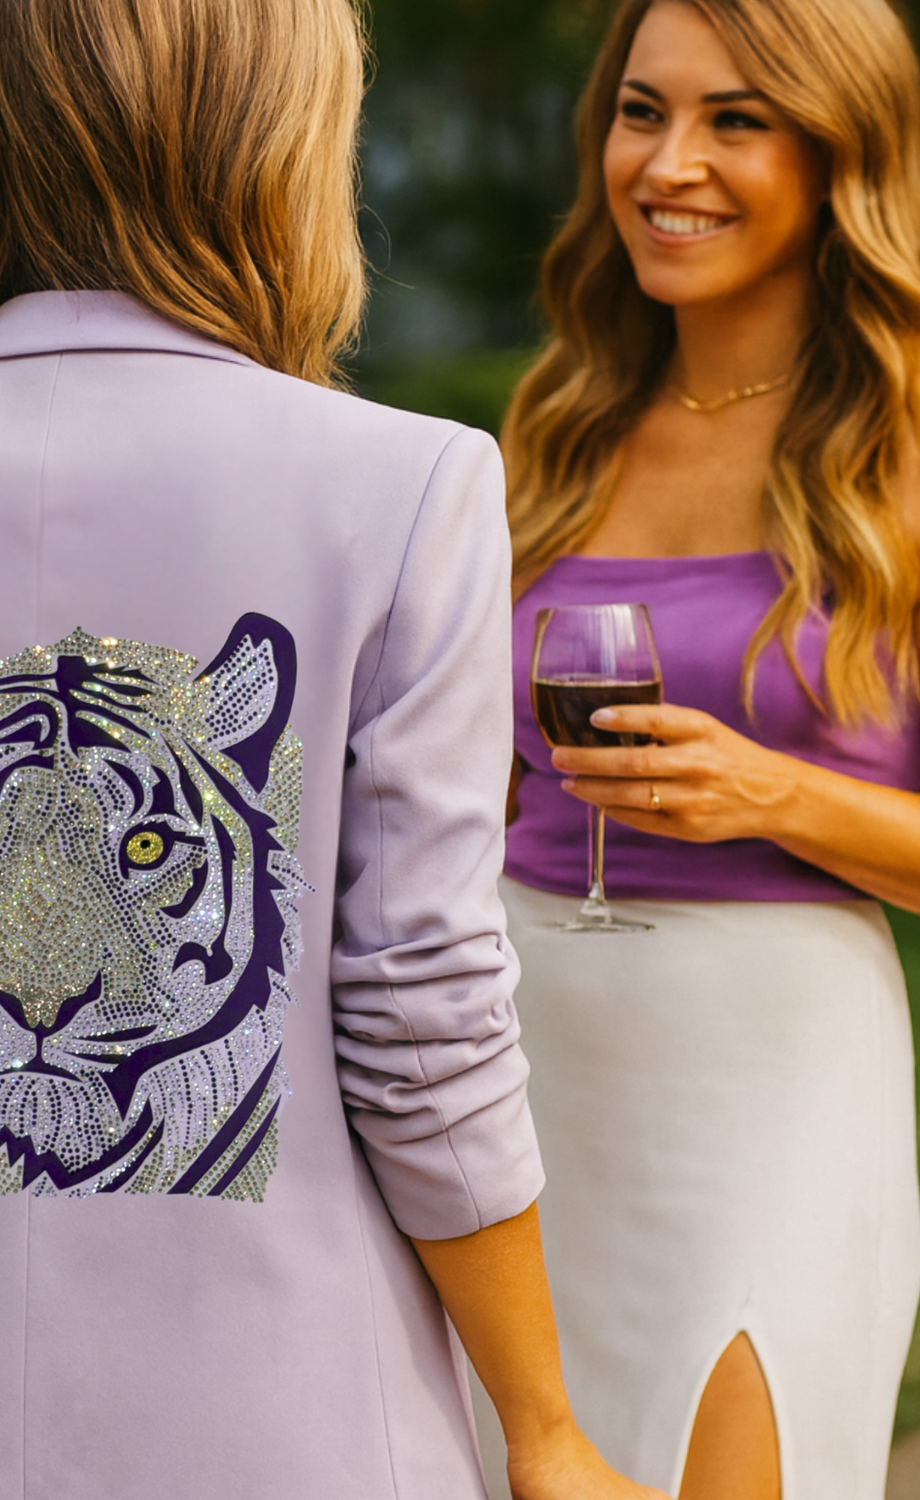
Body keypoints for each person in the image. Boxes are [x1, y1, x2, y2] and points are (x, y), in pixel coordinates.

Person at [0, 2, 672, 1498]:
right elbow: (420, 1015)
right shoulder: (407, 488)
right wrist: (539, 1425)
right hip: (285, 1429)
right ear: (284, 136)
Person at [487, 1, 920, 1496]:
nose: (671, 163)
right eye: (641, 111)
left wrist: (771, 792)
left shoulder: (905, 448)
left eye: (738, 119)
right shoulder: (561, 422)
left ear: (838, 152)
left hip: (774, 1080)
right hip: (520, 1054)